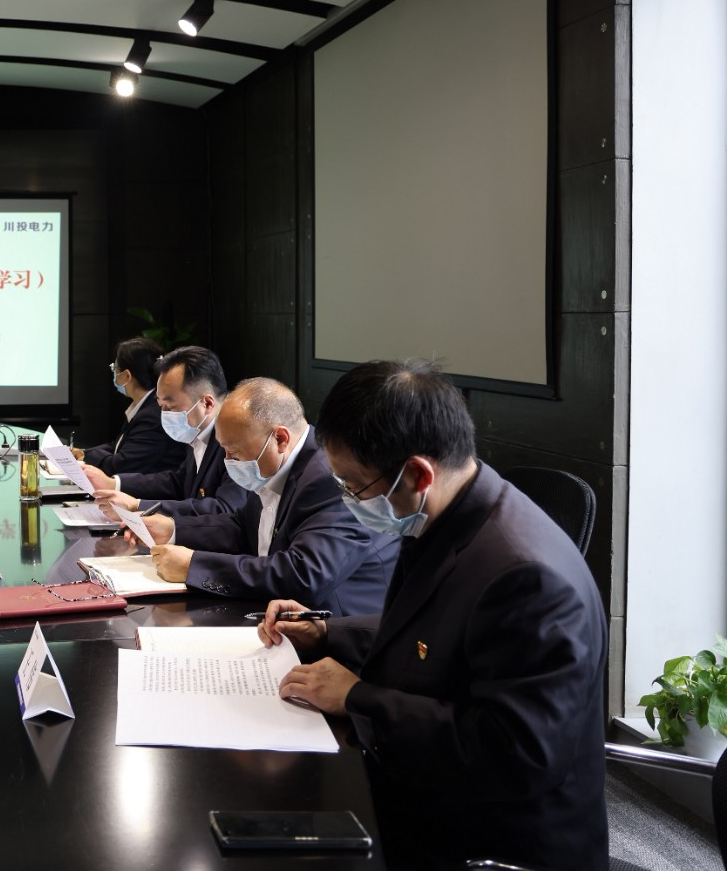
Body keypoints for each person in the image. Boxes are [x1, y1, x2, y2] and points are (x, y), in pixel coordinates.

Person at [259, 360, 607, 869]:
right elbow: (432, 632)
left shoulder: (526, 577)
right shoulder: (448, 512)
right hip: (428, 794)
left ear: (419, 473)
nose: (348, 499)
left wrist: (357, 697)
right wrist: (326, 632)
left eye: (354, 485)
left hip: (489, 844)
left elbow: (514, 754)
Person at [146, 377, 398, 617]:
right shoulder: (274, 465)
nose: (227, 461)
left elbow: (305, 574)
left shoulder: (328, 478)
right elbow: (243, 526)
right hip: (277, 611)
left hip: (334, 625)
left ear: (280, 438)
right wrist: (174, 530)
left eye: (233, 451)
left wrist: (194, 566)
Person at [85, 345, 252, 522]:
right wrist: (115, 484)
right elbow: (178, 482)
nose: (163, 415)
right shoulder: (199, 432)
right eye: (160, 406)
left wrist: (138, 505)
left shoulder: (237, 440)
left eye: (171, 407)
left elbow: (224, 508)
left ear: (207, 404)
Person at [70, 337, 186, 477]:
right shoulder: (144, 405)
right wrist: (83, 452)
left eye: (114, 368)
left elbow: (122, 465)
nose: (113, 373)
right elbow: (117, 446)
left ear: (126, 375)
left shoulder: (152, 415)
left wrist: (86, 457)